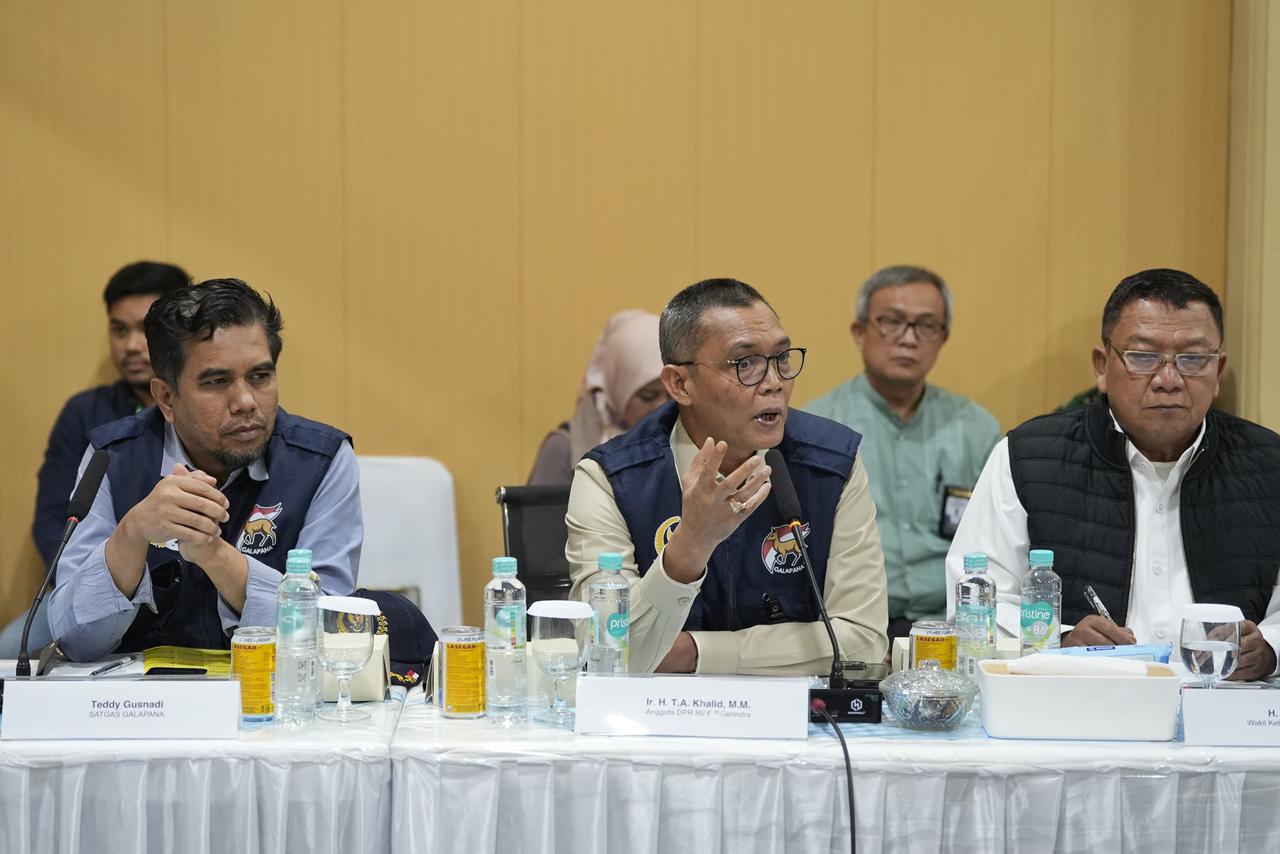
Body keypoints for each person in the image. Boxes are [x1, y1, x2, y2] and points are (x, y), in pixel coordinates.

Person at [946, 268, 1280, 680]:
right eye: (1143, 357)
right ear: (1102, 367)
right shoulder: (1027, 457)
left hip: (1229, 707)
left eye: (1193, 359)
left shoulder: (1269, 463)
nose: (1169, 380)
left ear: (1218, 371)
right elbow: (975, 602)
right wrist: (1059, 643)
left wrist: (1270, 649)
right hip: (1081, 702)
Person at [565, 278, 888, 676]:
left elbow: (863, 641)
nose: (774, 382)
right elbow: (606, 651)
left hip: (796, 711)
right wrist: (690, 547)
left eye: (782, 357)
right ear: (680, 384)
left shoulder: (831, 465)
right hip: (657, 713)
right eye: (745, 363)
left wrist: (697, 653)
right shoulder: (610, 479)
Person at [48, 278, 363, 661]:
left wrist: (214, 554)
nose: (246, 401)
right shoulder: (112, 457)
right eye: (217, 381)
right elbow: (73, 640)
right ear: (167, 398)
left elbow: (331, 638)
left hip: (273, 691)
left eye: (260, 377)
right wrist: (132, 533)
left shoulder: (321, 460)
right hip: (137, 694)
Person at [0, 261, 189, 659]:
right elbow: (53, 518)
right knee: (7, 651)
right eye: (119, 330)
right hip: (92, 587)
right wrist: (81, 587)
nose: (131, 345)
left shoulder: (206, 412)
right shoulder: (85, 413)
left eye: (144, 330)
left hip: (182, 586)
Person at [806, 265, 1000, 639]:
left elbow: (998, 541)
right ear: (859, 332)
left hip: (956, 624)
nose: (909, 339)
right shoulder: (819, 427)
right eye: (892, 322)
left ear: (943, 338)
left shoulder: (977, 428)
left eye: (926, 326)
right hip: (853, 624)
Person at [528, 310, 667, 485]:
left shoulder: (685, 444)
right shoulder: (565, 449)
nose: (662, 406)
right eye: (648, 396)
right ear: (617, 390)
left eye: (672, 394)